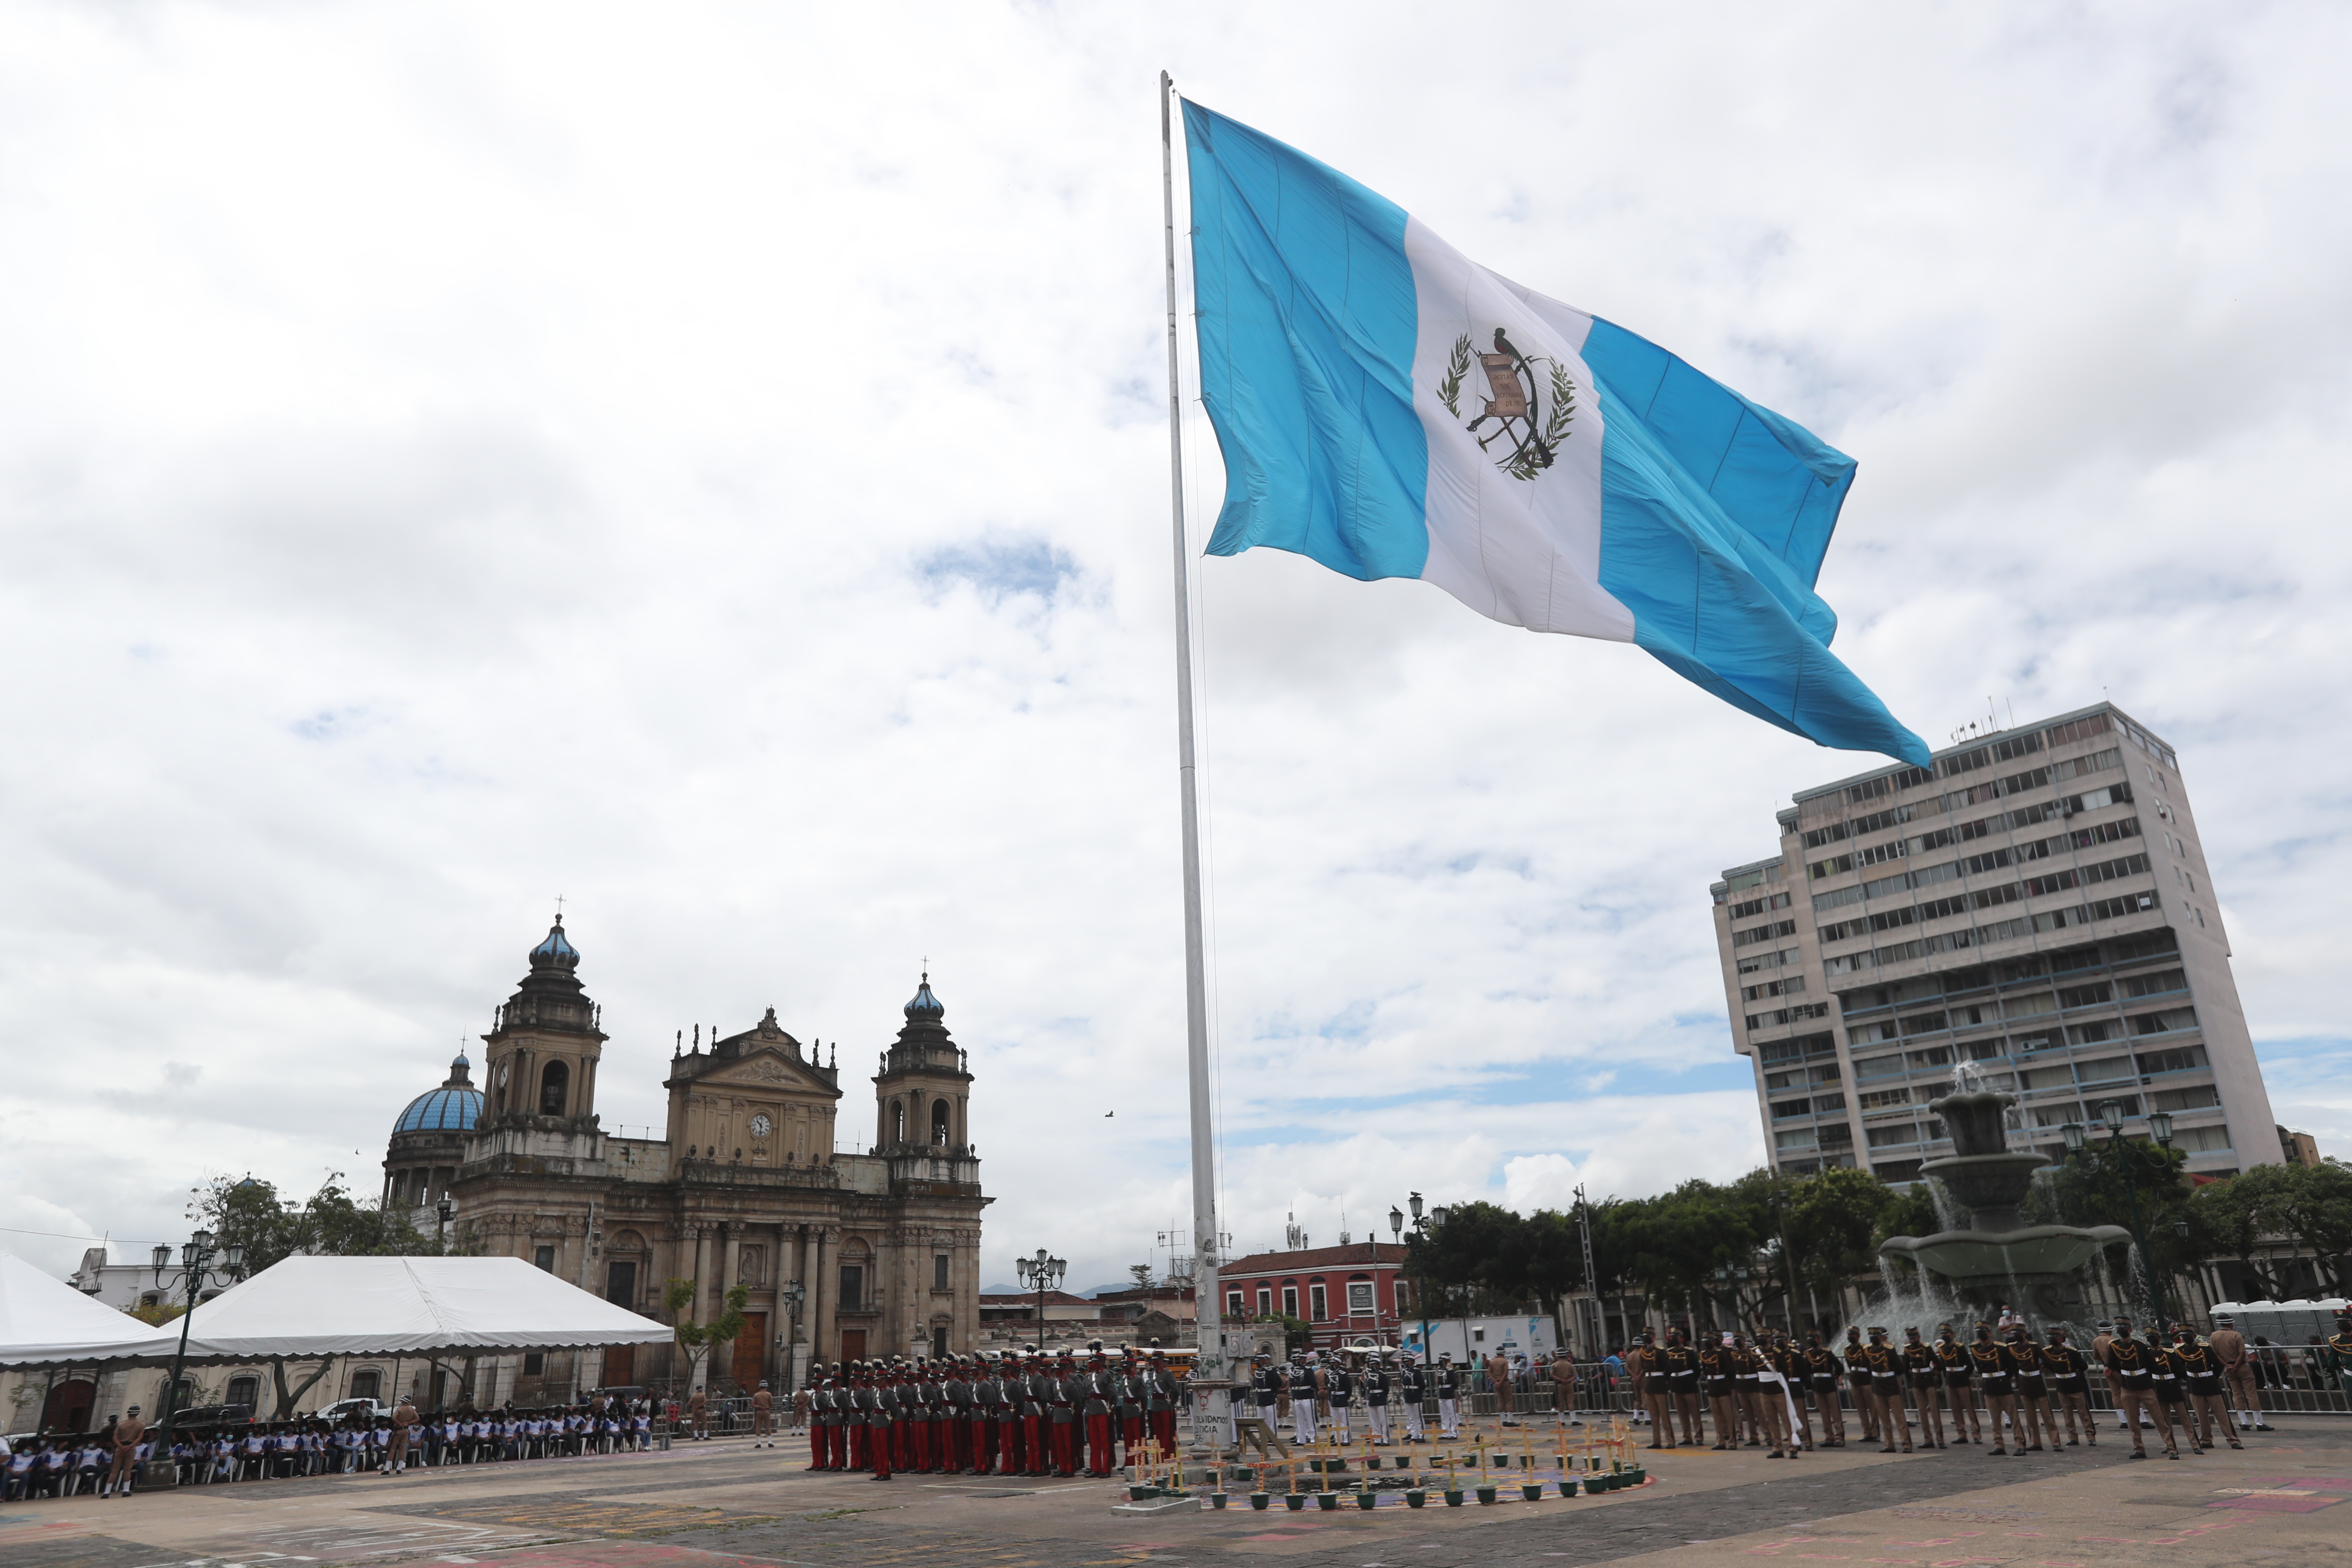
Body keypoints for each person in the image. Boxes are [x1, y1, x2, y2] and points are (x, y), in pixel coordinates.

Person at [2101, 1319, 2176, 1460]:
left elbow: (2152, 1365)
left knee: (2159, 1418)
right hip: (2127, 1386)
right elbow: (2112, 1364)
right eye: (2119, 1328)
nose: (2121, 1330)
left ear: (2131, 1330)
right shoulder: (2114, 1346)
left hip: (2144, 1385)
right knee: (2132, 1420)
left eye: (2124, 1328)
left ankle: (2171, 1447)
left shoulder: (2140, 1345)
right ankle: (2139, 1448)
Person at [2174, 1327, 2236, 1452]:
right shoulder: (2180, 1350)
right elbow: (2180, 1367)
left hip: (2209, 1382)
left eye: (2188, 1336)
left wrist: (2213, 1377)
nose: (2186, 1338)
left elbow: (2217, 1365)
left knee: (2221, 1413)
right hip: (2194, 1383)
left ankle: (2232, 1439)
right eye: (2183, 1336)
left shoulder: (2205, 1348)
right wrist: (2187, 1378)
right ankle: (2206, 1440)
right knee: (2201, 1414)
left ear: (2194, 1336)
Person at [2206, 1314, 2268, 1434]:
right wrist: (2236, 1366)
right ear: (2231, 1323)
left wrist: (2227, 1366)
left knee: (2236, 1394)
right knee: (2251, 1394)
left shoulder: (2214, 1336)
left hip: (2228, 1369)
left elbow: (2216, 1354)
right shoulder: (2236, 1335)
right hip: (2241, 1367)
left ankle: (2244, 1422)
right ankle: (2259, 1423)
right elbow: (2242, 1353)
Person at [1967, 1324, 2022, 1456]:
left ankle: (2020, 1444)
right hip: (1988, 1385)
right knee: (1994, 1418)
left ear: (1990, 1333)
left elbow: (2011, 1366)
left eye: (1984, 1332)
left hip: (2002, 1383)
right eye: (1979, 1332)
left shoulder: (2001, 1348)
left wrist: (2005, 1379)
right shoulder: (1975, 1348)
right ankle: (1998, 1444)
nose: (1981, 1334)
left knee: (2012, 1416)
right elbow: (1979, 1368)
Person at [2009, 1326, 2056, 1453]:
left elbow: (2048, 1361)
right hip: (2024, 1381)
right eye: (2014, 1334)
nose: (2016, 1336)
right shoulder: (2012, 1348)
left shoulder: (2034, 1346)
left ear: (2024, 1334)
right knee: (2030, 1415)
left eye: (2018, 1333)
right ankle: (2035, 1443)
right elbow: (2013, 1364)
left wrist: (2042, 1369)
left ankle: (2055, 1442)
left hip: (2036, 1381)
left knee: (2046, 1414)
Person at [1934, 1324, 1982, 1446]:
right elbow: (1942, 1365)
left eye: (1947, 1334)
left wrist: (1964, 1376)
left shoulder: (1959, 1347)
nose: (1945, 1336)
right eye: (1943, 1334)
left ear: (1953, 1335)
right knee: (1955, 1409)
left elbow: (1970, 1365)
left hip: (1961, 1379)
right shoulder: (1943, 1348)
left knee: (1969, 1408)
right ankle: (1961, 1434)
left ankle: (1976, 1434)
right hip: (1951, 1380)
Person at [1864, 1329, 1911, 1453]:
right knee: (1884, 1419)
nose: (1873, 1338)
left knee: (1899, 1417)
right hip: (1877, 1385)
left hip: (1890, 1384)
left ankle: (1906, 1444)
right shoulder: (1868, 1350)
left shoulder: (1889, 1350)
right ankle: (1889, 1444)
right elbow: (1868, 1367)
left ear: (1880, 1337)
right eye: (1871, 1336)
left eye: (1875, 1336)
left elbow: (1900, 1368)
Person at [1902, 1328, 1946, 1449]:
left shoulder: (1926, 1348)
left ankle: (1940, 1439)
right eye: (1911, 1338)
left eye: (1915, 1338)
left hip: (1928, 1381)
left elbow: (1939, 1364)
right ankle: (1928, 1439)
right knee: (1922, 1412)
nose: (1913, 1340)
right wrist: (1911, 1378)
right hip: (1917, 1382)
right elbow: (1905, 1368)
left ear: (1919, 1337)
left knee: (1934, 1411)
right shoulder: (1908, 1350)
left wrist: (1933, 1373)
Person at [1803, 1332, 1846, 1448]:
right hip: (1818, 1386)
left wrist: (1834, 1377)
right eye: (1811, 1339)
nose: (1813, 1341)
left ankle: (1839, 1437)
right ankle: (1829, 1437)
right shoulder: (1809, 1354)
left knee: (1835, 1413)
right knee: (1824, 1414)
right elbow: (1807, 1370)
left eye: (1815, 1339)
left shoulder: (1827, 1352)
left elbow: (1839, 1367)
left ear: (1819, 1340)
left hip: (1829, 1385)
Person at [101, 1406, 145, 1498]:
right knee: (127, 1470)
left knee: (115, 1470)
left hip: (120, 1448)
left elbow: (115, 1438)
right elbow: (140, 1438)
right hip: (131, 1448)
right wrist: (130, 1446)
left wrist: (121, 1446)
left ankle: (107, 1492)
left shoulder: (122, 1424)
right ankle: (126, 1490)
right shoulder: (141, 1424)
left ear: (129, 1414)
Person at [1433, 1354, 1461, 1439]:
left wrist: (1451, 1389)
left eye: (1442, 1361)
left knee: (1453, 1415)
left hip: (1449, 1394)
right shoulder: (1439, 1371)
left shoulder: (1449, 1371)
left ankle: (1454, 1432)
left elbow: (1455, 1384)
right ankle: (1445, 1432)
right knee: (1444, 1415)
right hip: (1442, 1393)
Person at [750, 1380, 775, 1449]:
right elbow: (771, 1403)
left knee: (758, 1426)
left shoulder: (757, 1395)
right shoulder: (769, 1394)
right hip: (767, 1411)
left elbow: (752, 1404)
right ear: (766, 1387)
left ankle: (759, 1443)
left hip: (759, 1411)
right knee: (768, 1426)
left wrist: (759, 1407)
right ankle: (770, 1442)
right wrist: (768, 1408)